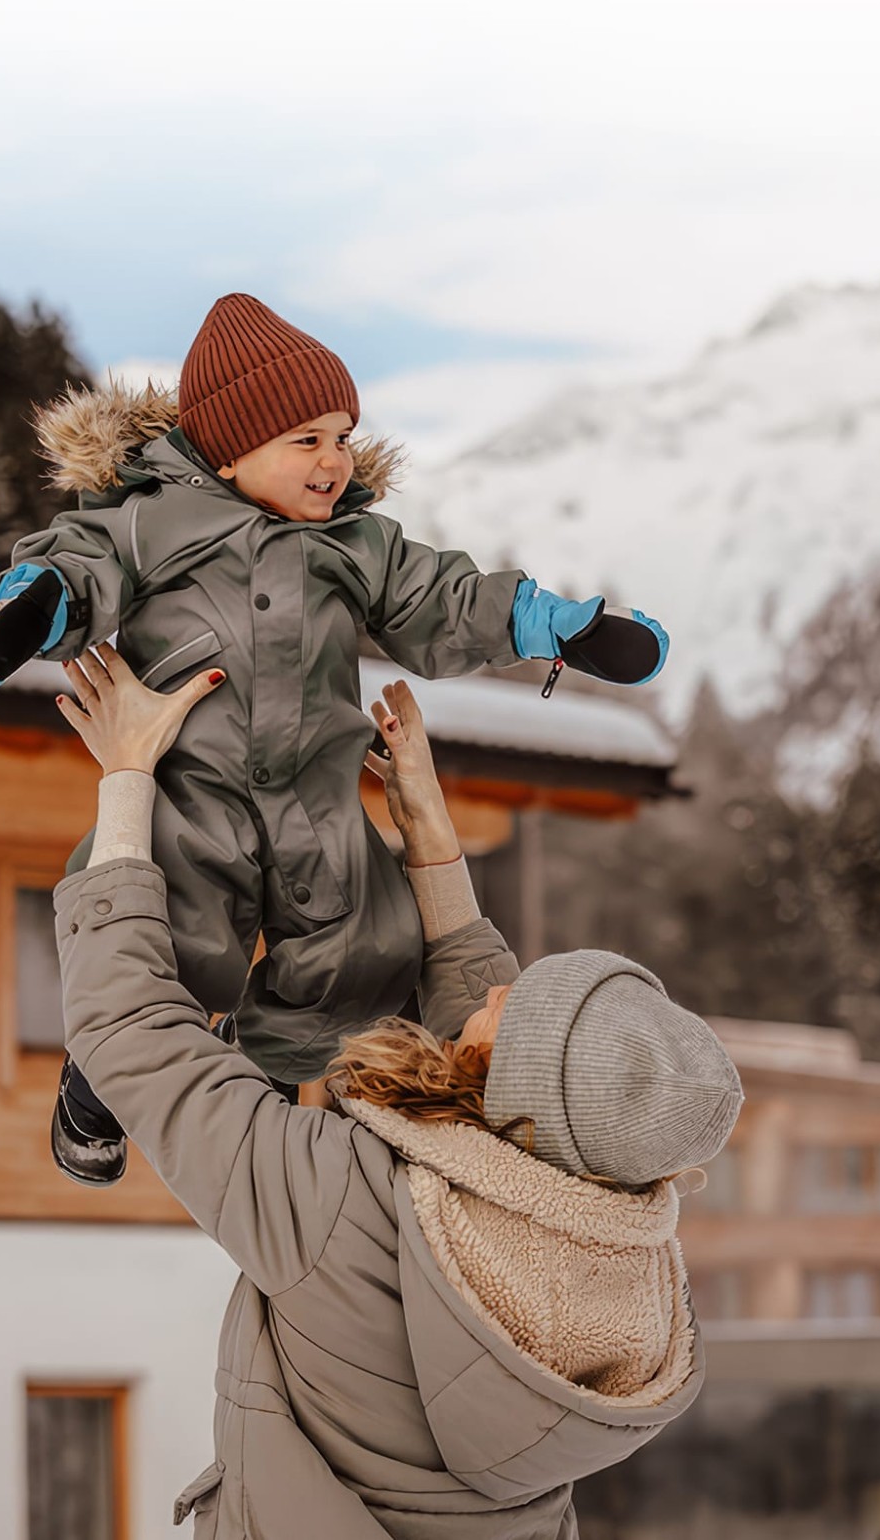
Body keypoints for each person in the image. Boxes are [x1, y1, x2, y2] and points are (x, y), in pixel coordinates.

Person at [0, 293, 670, 1186]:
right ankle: (99, 1076)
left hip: (318, 792)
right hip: (194, 786)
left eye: (343, 436)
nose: (336, 460)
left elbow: (438, 599)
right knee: (177, 931)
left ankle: (274, 1081)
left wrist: (546, 624)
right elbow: (83, 561)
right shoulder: (149, 519)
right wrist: (40, 605)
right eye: (308, 439)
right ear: (230, 448)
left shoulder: (355, 542)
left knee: (368, 947)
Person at [50, 643, 741, 1538]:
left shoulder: (343, 1206)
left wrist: (126, 776)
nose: (500, 990)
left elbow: (130, 1030)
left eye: (515, 1009)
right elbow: (510, 1085)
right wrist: (432, 840)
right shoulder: (620, 1264)